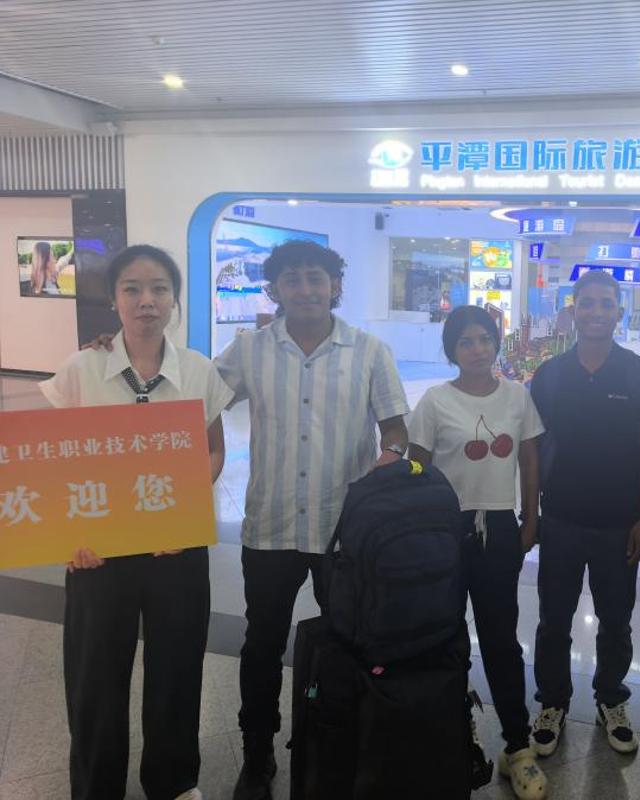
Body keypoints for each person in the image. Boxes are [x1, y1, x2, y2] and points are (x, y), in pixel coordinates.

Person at [214, 240, 411, 800]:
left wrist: (390, 457)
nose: (305, 289)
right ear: (275, 289)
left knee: (348, 640)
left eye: (316, 278)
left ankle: (340, 742)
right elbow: (194, 398)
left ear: (335, 286)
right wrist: (119, 352)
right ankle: (257, 752)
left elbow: (396, 428)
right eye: (293, 279)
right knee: (261, 644)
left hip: (342, 530)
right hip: (270, 527)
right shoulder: (249, 350)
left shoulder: (369, 351)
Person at [39, 244, 232, 800]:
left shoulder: (197, 369)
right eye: (132, 289)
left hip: (176, 549)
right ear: (114, 299)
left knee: (177, 669)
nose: (147, 300)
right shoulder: (82, 369)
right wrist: (72, 535)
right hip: (98, 551)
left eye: (159, 289)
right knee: (95, 676)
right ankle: (96, 786)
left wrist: (182, 512)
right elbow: (54, 460)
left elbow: (213, 450)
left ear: (174, 299)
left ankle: (173, 782)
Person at [407, 305, 548, 800]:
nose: (477, 349)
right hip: (446, 531)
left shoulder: (516, 396)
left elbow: (529, 458)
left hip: (499, 528)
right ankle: (454, 732)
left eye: (485, 339)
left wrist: (531, 519)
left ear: (496, 343)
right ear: (451, 349)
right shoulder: (435, 401)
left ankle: (518, 747)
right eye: (465, 341)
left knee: (500, 640)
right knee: (446, 637)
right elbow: (417, 470)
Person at [529, 269, 640, 757]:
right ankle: (552, 703)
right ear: (573, 310)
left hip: (618, 525)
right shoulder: (550, 375)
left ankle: (611, 699)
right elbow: (533, 450)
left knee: (616, 621)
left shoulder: (639, 374)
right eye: (586, 303)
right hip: (560, 519)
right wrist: (531, 515)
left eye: (606, 304)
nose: (596, 312)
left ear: (619, 312)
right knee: (553, 620)